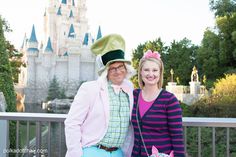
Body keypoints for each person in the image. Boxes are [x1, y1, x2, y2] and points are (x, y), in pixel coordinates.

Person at [64, 34, 135, 157]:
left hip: (119, 153)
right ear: (106, 71)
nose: (118, 71)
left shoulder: (129, 89)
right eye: (112, 68)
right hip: (91, 151)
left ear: (126, 68)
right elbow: (72, 123)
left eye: (120, 66)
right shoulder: (90, 89)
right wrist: (76, 154)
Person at [131, 50, 185, 157]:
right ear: (140, 72)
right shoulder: (134, 96)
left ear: (160, 73)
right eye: (146, 70)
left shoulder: (169, 100)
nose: (151, 74)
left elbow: (177, 136)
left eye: (155, 70)